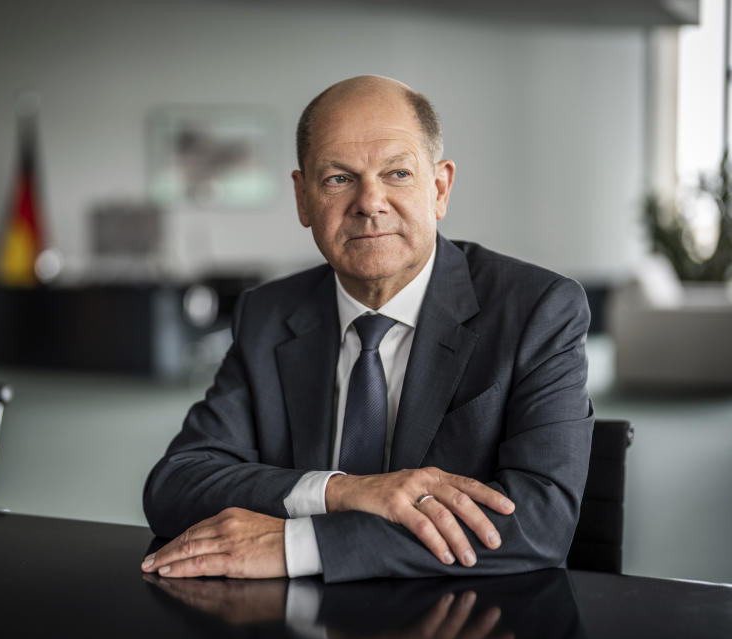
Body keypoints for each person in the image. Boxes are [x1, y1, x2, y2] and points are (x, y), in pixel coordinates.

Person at [141, 75, 593, 582]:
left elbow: (540, 524)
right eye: (338, 178)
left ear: (439, 188)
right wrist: (342, 491)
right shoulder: (268, 314)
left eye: (398, 173)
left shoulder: (538, 310)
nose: (369, 202)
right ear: (303, 198)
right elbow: (176, 484)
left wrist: (300, 543)